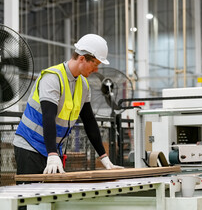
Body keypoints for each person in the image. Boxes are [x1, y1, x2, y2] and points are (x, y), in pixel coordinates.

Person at [13, 34, 122, 175]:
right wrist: (52, 154)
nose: (96, 70)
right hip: (29, 146)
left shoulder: (83, 85)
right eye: (94, 64)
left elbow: (89, 122)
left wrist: (104, 158)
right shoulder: (53, 77)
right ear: (82, 58)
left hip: (52, 150)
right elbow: (48, 116)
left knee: (52, 195)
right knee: (30, 194)